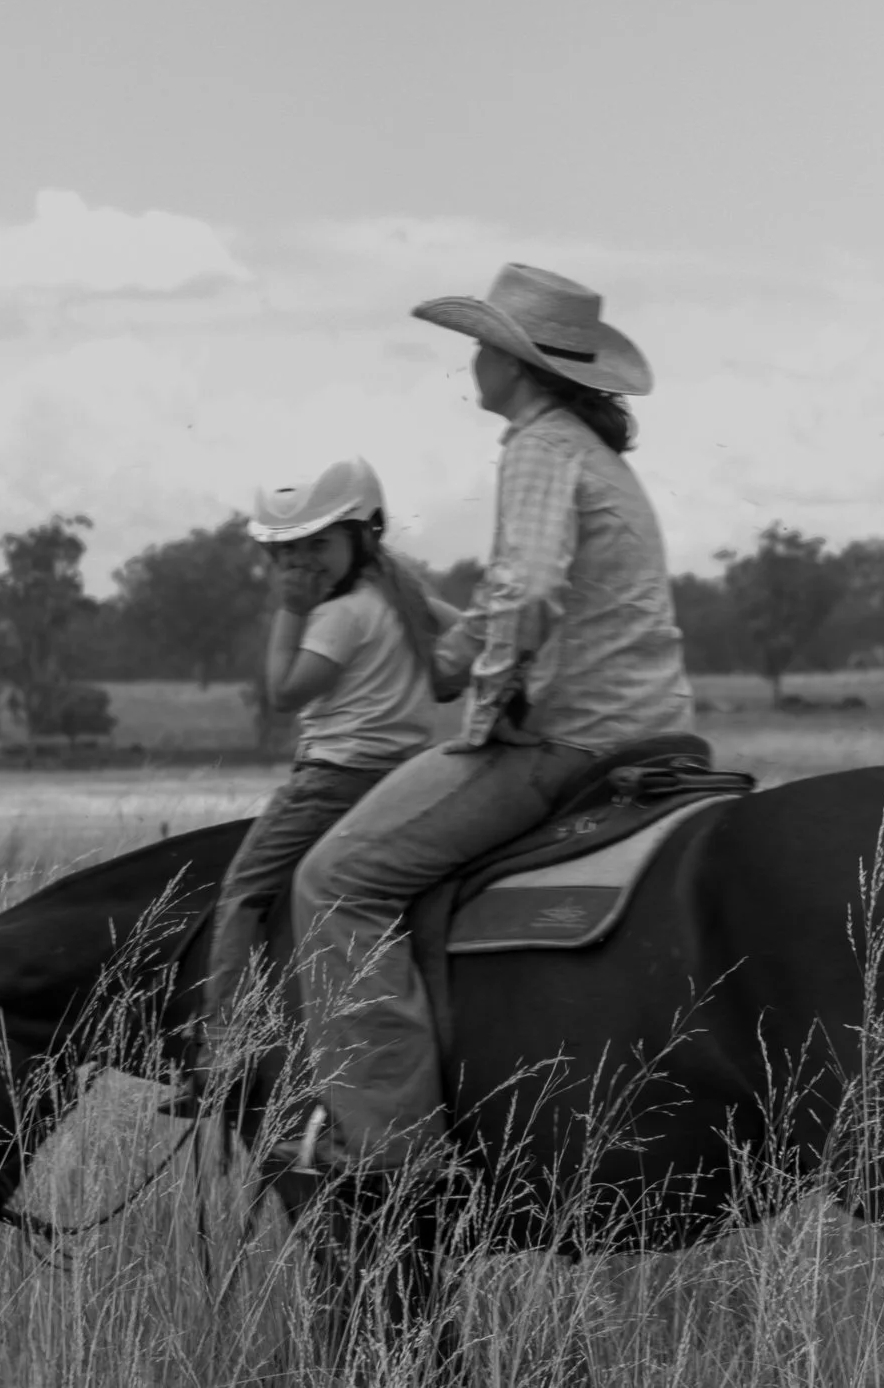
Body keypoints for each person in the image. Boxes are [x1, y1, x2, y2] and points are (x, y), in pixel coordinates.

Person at [283, 264, 695, 1177]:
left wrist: (486, 700)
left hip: (573, 739)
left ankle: (388, 1150)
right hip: (657, 727)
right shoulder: (593, 456)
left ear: (515, 363)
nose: (472, 358)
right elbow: (514, 594)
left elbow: (532, 589)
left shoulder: (539, 447)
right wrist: (452, 647)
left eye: (482, 343)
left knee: (333, 881)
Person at [177, 458, 466, 1089]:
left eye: (317, 546)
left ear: (360, 537)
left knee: (244, 891)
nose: (301, 564)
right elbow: (464, 644)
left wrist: (290, 610)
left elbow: (284, 691)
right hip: (406, 781)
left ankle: (220, 1048)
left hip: (332, 780)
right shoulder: (401, 597)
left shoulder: (339, 616)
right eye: (287, 553)